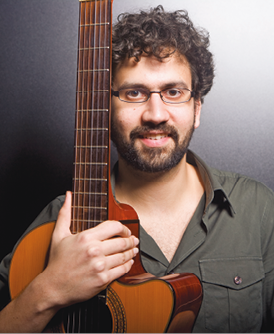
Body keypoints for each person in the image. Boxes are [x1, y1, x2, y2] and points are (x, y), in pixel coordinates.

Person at [0, 5, 274, 333]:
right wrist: (50, 289)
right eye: (134, 93)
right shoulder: (60, 223)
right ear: (104, 108)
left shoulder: (257, 210)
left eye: (173, 92)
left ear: (196, 108)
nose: (155, 114)